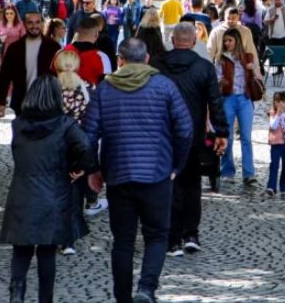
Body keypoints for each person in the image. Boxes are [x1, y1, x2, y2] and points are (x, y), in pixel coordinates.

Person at [84, 38, 193, 303]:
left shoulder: (104, 90)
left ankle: (123, 298)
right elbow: (185, 129)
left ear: (120, 60)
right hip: (157, 173)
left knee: (122, 241)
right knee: (157, 236)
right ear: (146, 59)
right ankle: (146, 288)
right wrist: (176, 164)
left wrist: (93, 169)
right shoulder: (164, 86)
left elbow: (88, 135)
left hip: (119, 174)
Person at [0, 76, 91, 303]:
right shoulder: (65, 125)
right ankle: (45, 299)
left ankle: (17, 294)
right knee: (47, 250)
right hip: (53, 192)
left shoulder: (18, 124)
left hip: (22, 191)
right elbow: (85, 145)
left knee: (21, 249)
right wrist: (77, 168)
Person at [153, 23, 228, 256]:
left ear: (172, 40)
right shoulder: (204, 67)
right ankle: (191, 234)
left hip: (164, 135)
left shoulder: (157, 65)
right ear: (194, 42)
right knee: (192, 185)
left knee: (170, 185)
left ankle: (172, 237)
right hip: (194, 135)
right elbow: (215, 102)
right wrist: (221, 132)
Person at [55, 49, 106, 237]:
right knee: (75, 192)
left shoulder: (50, 88)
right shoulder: (88, 89)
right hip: (79, 147)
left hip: (55, 147)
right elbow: (95, 123)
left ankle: (59, 232)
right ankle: (70, 236)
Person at [215, 28, 263, 186]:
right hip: (228, 98)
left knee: (246, 137)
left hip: (244, 98)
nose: (227, 43)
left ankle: (249, 173)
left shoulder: (247, 57)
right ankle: (227, 170)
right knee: (227, 136)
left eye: (230, 40)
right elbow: (216, 80)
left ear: (237, 42)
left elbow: (257, 77)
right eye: (225, 41)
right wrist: (220, 82)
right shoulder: (221, 59)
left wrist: (253, 70)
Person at [0, 11, 62, 118]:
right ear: (24, 24)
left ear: (42, 24)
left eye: (37, 22)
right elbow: (4, 76)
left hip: (46, 103)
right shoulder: (15, 48)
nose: (34, 26)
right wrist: (0, 102)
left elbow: (60, 75)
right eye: (30, 22)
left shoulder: (53, 47)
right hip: (22, 102)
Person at [63, 17, 113, 85]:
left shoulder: (62, 52)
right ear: (97, 34)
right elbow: (106, 85)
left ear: (77, 33)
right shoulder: (102, 58)